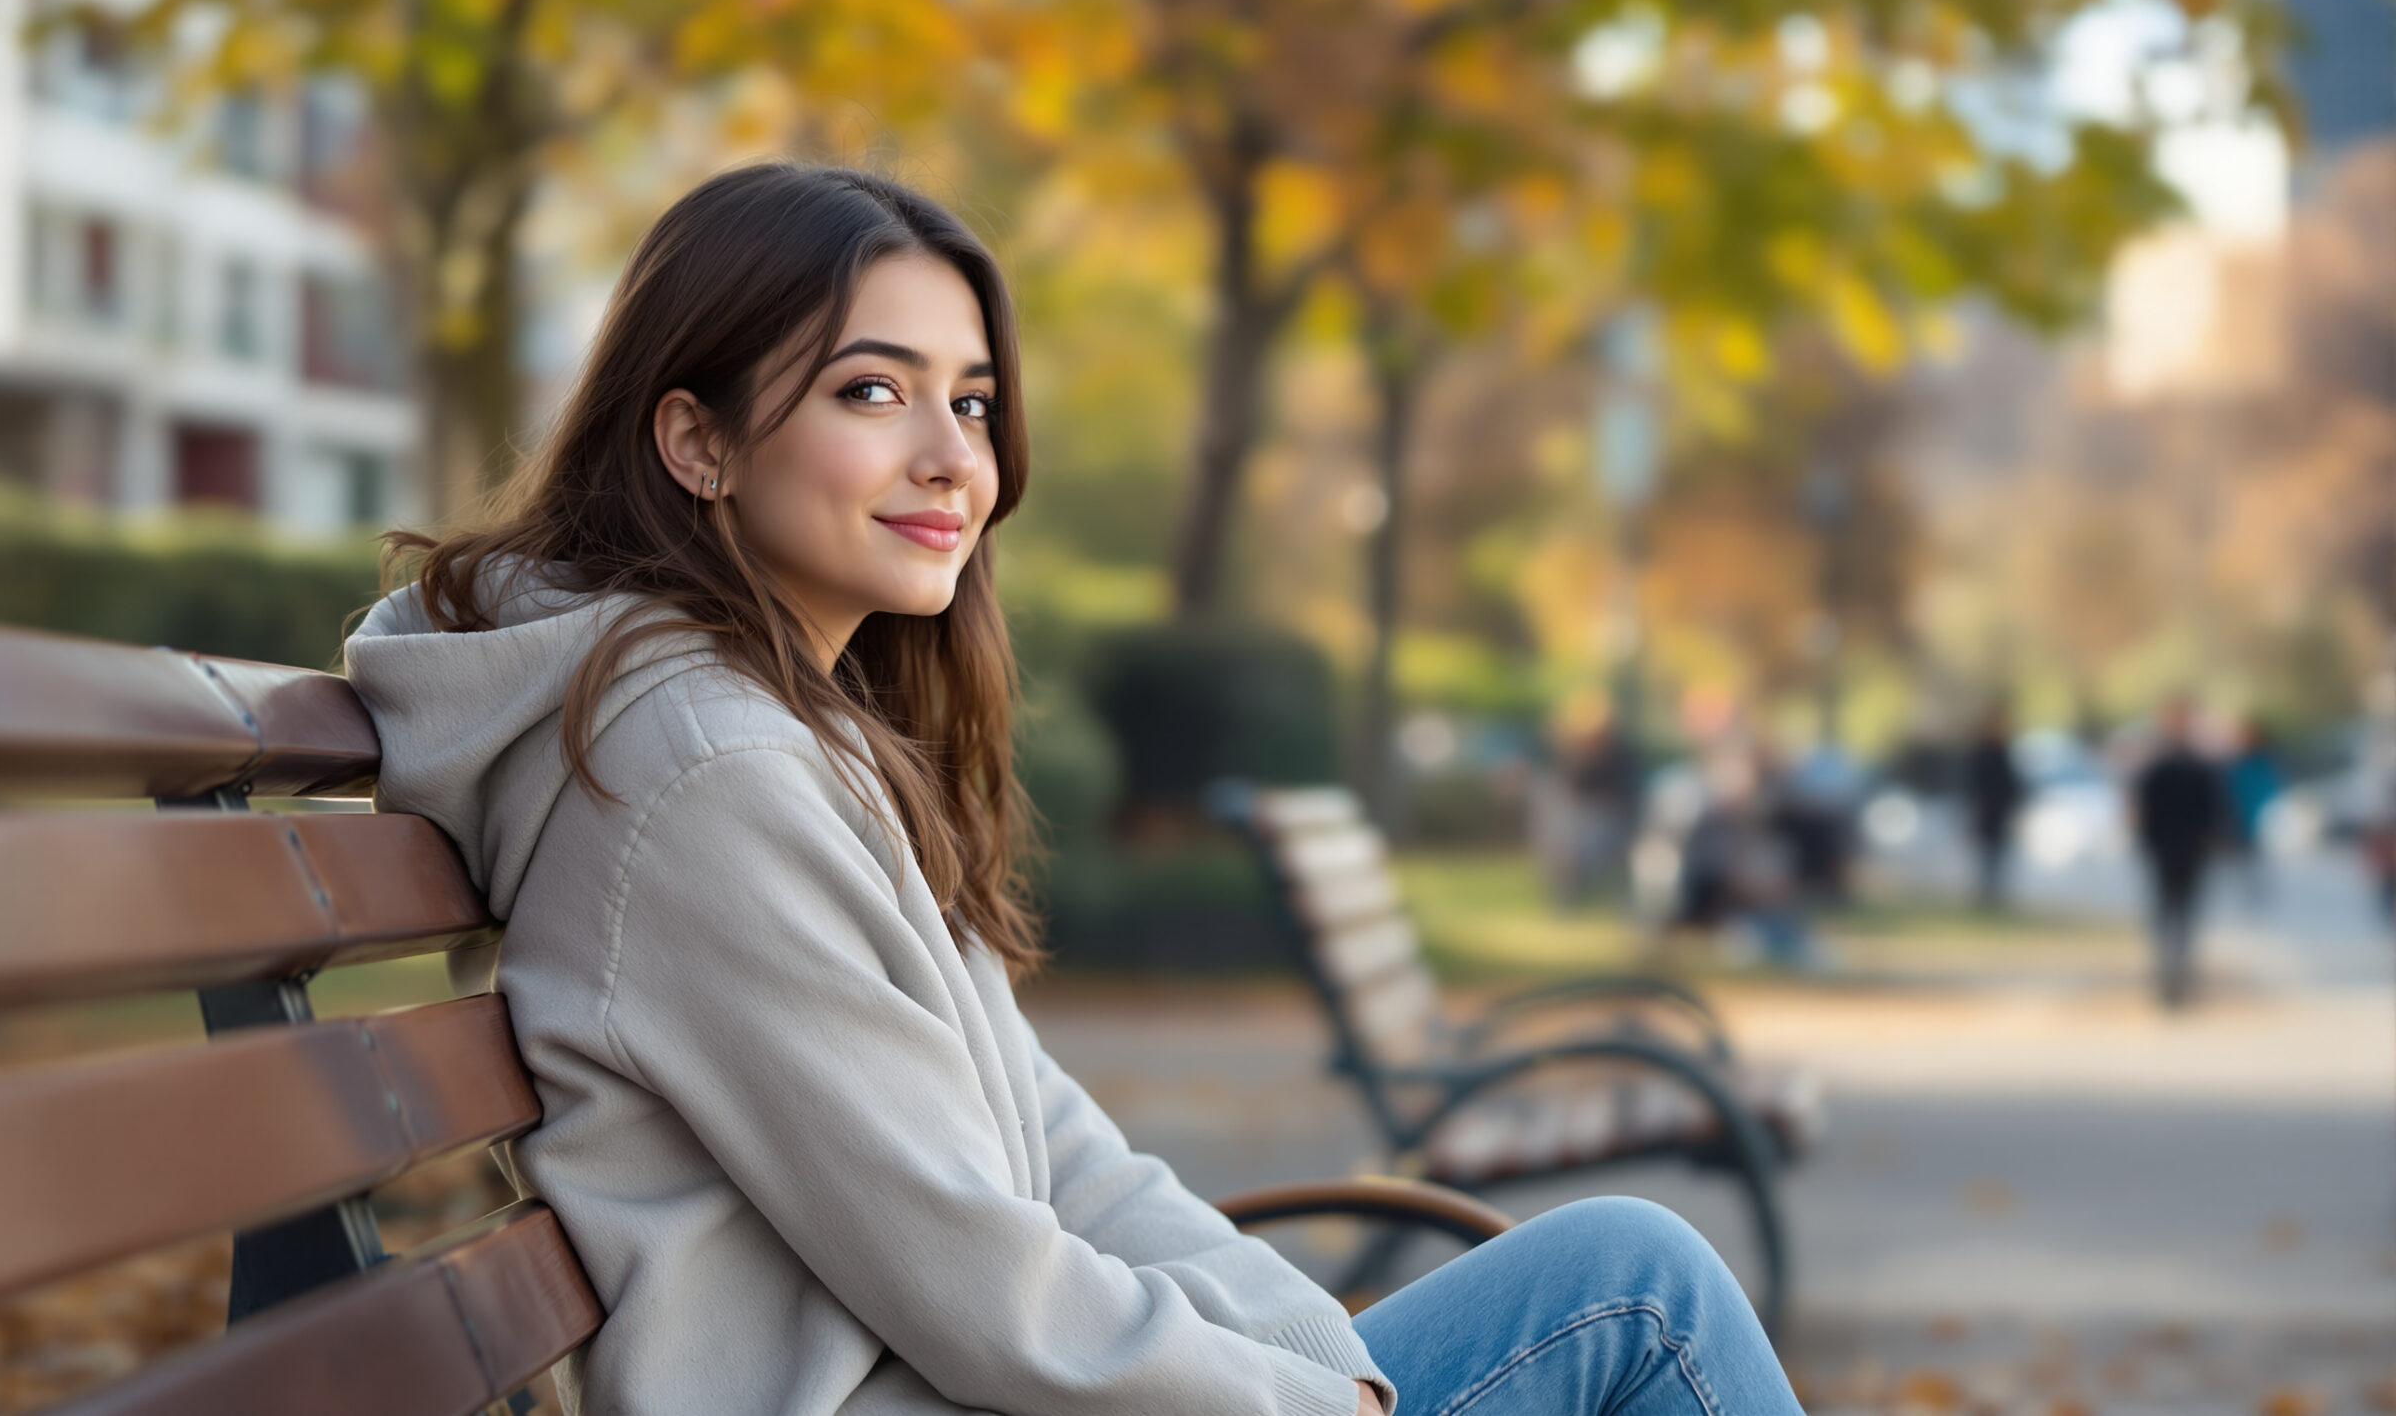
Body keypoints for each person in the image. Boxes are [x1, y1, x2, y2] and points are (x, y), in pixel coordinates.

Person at [343, 165, 1800, 1416]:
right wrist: (1300, 1399)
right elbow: (981, 1282)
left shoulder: (786, 735)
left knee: (1628, 1276)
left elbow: (1062, 1153)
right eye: (872, 391)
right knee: (1639, 1296)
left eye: (970, 402)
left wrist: (1309, 1360)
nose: (951, 461)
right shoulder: (703, 777)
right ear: (696, 440)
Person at [2129, 697, 2229, 1010]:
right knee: (2172, 916)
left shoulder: (2187, 766)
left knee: (2177, 916)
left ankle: (2175, 977)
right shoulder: (2163, 766)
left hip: (2184, 850)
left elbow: (2213, 811)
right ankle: (2170, 977)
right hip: (2170, 849)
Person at [1961, 706, 2026, 910]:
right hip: (1988, 811)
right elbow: (1978, 786)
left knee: (1998, 855)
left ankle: (1993, 894)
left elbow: (2010, 783)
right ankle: (1986, 895)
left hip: (2001, 812)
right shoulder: (1984, 753)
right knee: (1987, 856)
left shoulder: (2003, 751)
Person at [2221, 716, 2284, 908]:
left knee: (2253, 864)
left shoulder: (2263, 761)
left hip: (2255, 818)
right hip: (2238, 819)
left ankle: (2254, 900)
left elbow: (2271, 789)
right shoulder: (2235, 761)